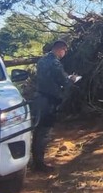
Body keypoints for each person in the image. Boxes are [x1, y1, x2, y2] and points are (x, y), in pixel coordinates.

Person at [30, 39, 78, 172]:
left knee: (38, 130)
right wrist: (71, 80)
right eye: (65, 50)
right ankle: (39, 164)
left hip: (40, 98)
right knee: (45, 131)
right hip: (49, 100)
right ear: (60, 49)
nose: (65, 53)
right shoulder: (55, 63)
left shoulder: (42, 60)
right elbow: (63, 80)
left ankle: (35, 161)